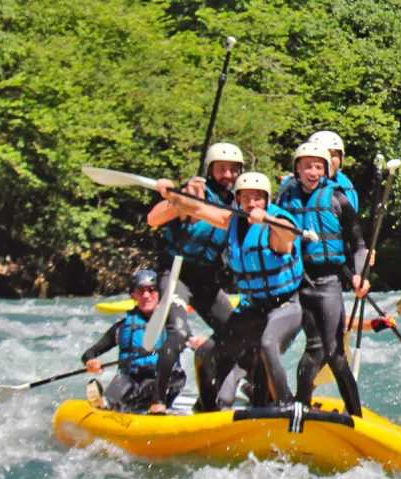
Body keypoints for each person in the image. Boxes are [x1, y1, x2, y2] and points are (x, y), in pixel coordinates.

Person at [160, 173, 305, 409]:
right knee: (206, 352)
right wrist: (171, 194)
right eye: (246, 198)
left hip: (284, 306)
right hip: (252, 310)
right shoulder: (232, 220)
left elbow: (288, 235)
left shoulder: (278, 222)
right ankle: (208, 410)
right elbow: (196, 208)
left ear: (267, 199)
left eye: (258, 198)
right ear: (237, 199)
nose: (251, 203)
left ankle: (286, 406)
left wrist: (267, 219)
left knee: (267, 345)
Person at [143, 142, 242, 405]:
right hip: (176, 272)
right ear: (210, 170)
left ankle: (210, 396)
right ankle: (158, 400)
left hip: (206, 278)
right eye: (222, 169)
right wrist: (181, 200)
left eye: (233, 170)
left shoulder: (238, 202)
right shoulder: (193, 191)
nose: (228, 175)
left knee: (237, 335)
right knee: (177, 332)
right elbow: (153, 219)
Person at [276, 142, 368, 416]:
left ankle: (355, 414)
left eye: (318, 166)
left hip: (328, 281)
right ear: (297, 169)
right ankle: (300, 408)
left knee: (334, 353)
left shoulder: (337, 199)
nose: (312, 171)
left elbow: (358, 243)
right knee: (314, 348)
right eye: (307, 166)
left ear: (326, 170)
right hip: (298, 281)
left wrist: (359, 275)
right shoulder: (285, 199)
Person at [82, 270, 189, 414]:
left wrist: (197, 343)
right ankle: (106, 405)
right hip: (132, 381)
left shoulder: (174, 325)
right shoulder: (123, 327)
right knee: (122, 382)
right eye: (141, 291)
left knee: (175, 377)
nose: (146, 296)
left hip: (162, 383)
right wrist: (91, 361)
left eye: (151, 290)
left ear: (160, 293)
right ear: (133, 295)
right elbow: (90, 352)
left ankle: (144, 407)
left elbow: (194, 343)